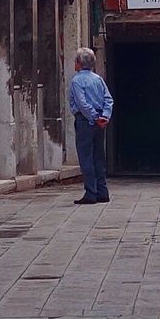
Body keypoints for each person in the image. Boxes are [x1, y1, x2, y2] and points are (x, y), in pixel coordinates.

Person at [68, 47, 112, 205]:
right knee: (99, 156)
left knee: (86, 157)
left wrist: (94, 117)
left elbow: (82, 103)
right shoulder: (98, 79)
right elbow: (108, 99)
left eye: (75, 61)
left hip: (86, 121)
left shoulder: (77, 80)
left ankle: (91, 192)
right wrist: (104, 116)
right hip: (99, 121)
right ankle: (102, 191)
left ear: (79, 63)